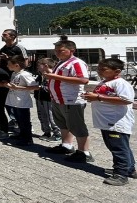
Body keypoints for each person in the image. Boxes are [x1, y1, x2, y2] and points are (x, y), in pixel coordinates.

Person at [82, 58, 136, 186]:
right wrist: (92, 97)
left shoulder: (120, 83)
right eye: (98, 68)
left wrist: (98, 97)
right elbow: (105, 96)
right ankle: (129, 169)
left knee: (118, 148)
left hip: (116, 122)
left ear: (117, 71)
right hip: (106, 121)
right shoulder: (106, 81)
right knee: (122, 147)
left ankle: (121, 175)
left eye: (103, 69)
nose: (99, 71)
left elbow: (126, 100)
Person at [44, 38, 93, 163]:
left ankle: (84, 152)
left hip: (71, 100)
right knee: (63, 124)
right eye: (56, 51)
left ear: (71, 50)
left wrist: (55, 76)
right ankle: (67, 145)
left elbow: (83, 80)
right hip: (59, 99)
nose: (57, 53)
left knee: (77, 126)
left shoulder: (76, 63)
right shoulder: (62, 62)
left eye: (61, 50)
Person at [6, 55, 39, 146]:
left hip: (22, 101)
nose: (7, 66)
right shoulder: (14, 74)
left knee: (24, 120)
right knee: (19, 119)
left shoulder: (25, 74)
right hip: (14, 100)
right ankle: (22, 134)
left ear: (16, 65)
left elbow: (35, 87)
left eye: (9, 64)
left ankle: (28, 138)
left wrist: (18, 87)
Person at [35, 58, 62, 142]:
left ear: (45, 65)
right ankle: (46, 132)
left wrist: (41, 87)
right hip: (39, 98)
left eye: (39, 65)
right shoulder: (40, 75)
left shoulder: (53, 75)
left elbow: (53, 87)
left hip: (48, 99)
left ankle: (57, 134)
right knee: (42, 116)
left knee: (51, 117)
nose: (37, 68)